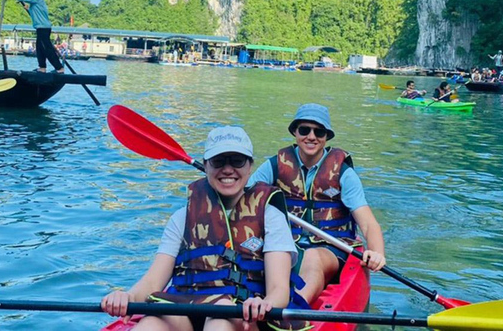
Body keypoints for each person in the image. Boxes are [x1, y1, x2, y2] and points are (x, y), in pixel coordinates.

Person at [101, 126, 304, 331]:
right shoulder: (182, 218)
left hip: (242, 314)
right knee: (151, 324)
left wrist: (265, 303)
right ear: (206, 166)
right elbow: (154, 280)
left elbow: (279, 289)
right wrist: (128, 297)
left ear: (250, 166)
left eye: (237, 161)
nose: (227, 169)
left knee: (219, 317)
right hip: (188, 309)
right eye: (218, 161)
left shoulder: (270, 216)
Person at [247, 104, 386, 305]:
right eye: (304, 130)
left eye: (318, 131)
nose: (311, 137)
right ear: (295, 132)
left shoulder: (344, 173)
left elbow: (368, 224)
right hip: (284, 241)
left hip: (330, 246)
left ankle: (294, 308)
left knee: (312, 257)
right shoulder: (275, 165)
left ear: (326, 136)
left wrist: (377, 252)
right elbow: (245, 198)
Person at [5, 0, 64, 74]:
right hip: (40, 28)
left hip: (44, 28)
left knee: (47, 49)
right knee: (40, 48)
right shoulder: (34, 3)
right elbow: (35, 15)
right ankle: (42, 68)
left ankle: (59, 68)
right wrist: (28, 9)